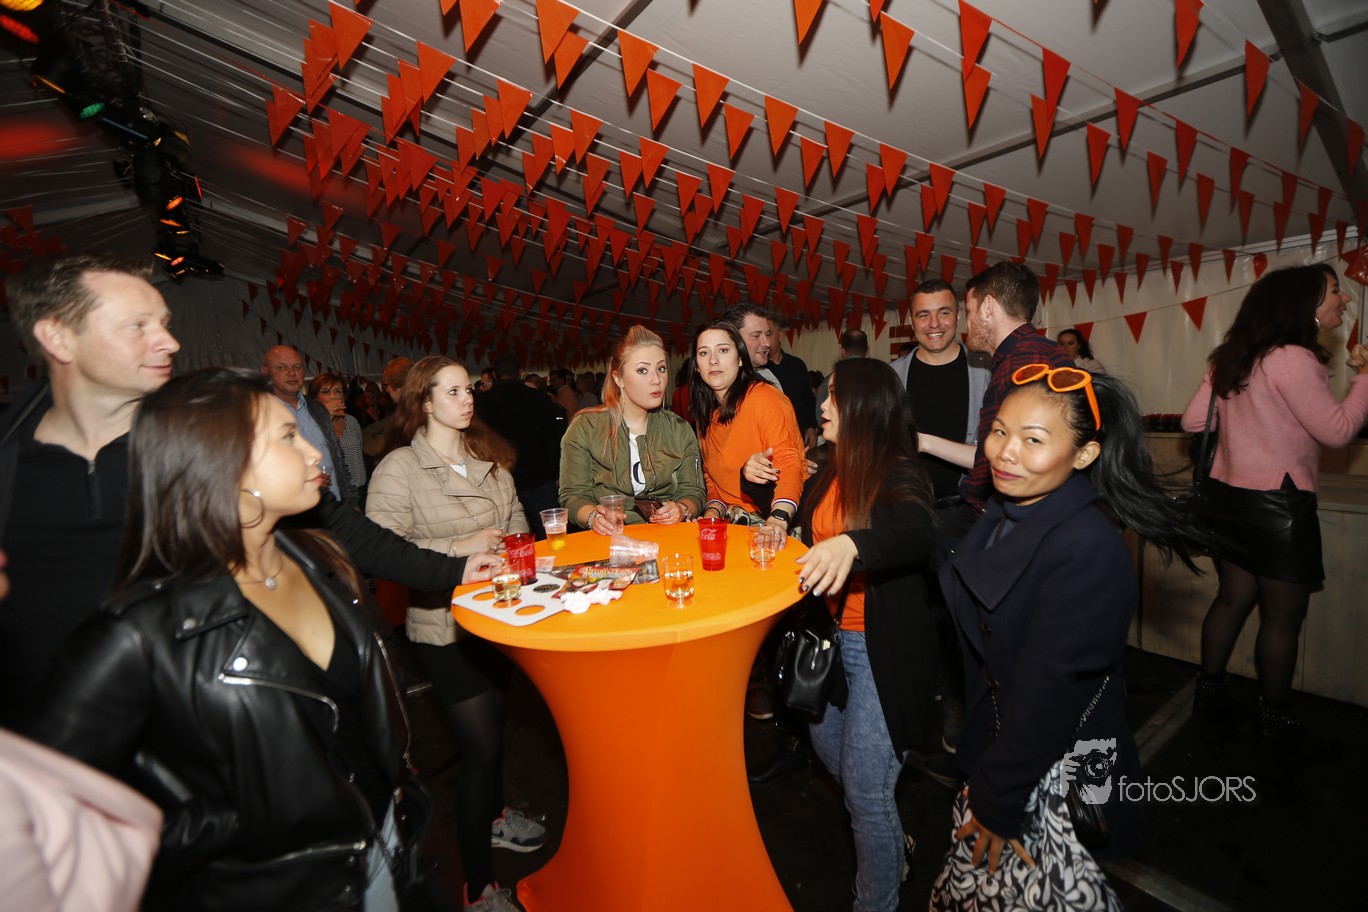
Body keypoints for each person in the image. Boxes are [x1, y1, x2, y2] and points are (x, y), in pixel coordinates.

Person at [0, 254, 492, 729]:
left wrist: (453, 569)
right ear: (57, 337)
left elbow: (348, 530)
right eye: (138, 326)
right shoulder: (10, 462)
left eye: (164, 323)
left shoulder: (198, 441)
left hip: (219, 721)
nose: (169, 341)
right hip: (57, 741)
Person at [25, 367, 430, 910]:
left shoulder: (320, 559)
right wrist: (239, 824)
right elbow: (42, 816)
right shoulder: (143, 630)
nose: (314, 452)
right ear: (224, 464)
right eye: (288, 438)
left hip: (388, 846)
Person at [940, 364, 1209, 872]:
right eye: (999, 431)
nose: (1005, 452)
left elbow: (1050, 692)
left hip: (1064, 763)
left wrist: (999, 797)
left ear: (1084, 454)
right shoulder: (1005, 511)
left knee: (1061, 884)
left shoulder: (1087, 548)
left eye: (1033, 440)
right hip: (1003, 744)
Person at [367, 356, 544, 912]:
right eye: (453, 391)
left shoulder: (487, 457)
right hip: (443, 629)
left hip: (499, 621)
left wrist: (514, 548)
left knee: (493, 732)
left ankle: (495, 817)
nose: (467, 399)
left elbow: (517, 523)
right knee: (481, 749)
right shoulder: (399, 468)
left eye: (469, 390)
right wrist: (461, 550)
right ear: (424, 402)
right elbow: (383, 551)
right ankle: (477, 889)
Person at [1181, 264, 1368, 746]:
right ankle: (1276, 721)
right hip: (1278, 506)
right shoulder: (1293, 358)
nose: (1345, 299)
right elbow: (1338, 431)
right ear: (1303, 303)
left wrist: (1246, 431)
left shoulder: (1234, 356)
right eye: (1334, 291)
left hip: (1228, 499)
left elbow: (1192, 422)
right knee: (1283, 619)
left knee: (1231, 600)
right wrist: (1366, 379)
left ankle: (1208, 695)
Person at [791, 357, 938, 912]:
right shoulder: (829, 470)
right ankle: (888, 837)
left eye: (834, 395)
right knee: (833, 755)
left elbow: (916, 533)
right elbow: (808, 540)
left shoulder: (899, 470)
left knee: (866, 792)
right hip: (830, 644)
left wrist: (856, 544)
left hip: (881, 649)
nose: (823, 405)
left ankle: (875, 899)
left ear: (864, 406)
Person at [923, 261, 1074, 517]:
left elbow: (1025, 461)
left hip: (1015, 515)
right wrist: (922, 442)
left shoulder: (1024, 364)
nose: (967, 325)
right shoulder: (1034, 353)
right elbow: (992, 454)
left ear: (988, 307)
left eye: (969, 311)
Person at [560, 326, 705, 531]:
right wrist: (594, 517)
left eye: (661, 369)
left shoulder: (679, 430)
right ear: (618, 378)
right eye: (642, 370)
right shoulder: (586, 427)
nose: (656, 380)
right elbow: (573, 496)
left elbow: (694, 491)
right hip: (610, 539)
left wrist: (682, 509)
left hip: (667, 536)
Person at [691, 320, 805, 531]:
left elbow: (790, 463)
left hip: (776, 518)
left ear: (741, 359)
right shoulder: (706, 417)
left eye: (723, 350)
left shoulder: (764, 397)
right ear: (697, 366)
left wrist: (778, 519)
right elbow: (715, 483)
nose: (713, 360)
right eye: (704, 353)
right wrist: (711, 515)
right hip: (733, 524)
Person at [474, 352, 567, 538]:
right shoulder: (537, 398)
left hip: (498, 478)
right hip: (537, 477)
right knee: (550, 533)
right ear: (520, 372)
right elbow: (554, 436)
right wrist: (554, 472)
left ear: (494, 374)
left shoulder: (482, 402)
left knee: (507, 537)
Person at [310, 370, 367, 504]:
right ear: (315, 399)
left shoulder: (351, 421)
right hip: (334, 494)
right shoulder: (313, 424)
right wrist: (326, 416)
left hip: (361, 489)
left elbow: (360, 452)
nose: (333, 396)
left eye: (337, 391)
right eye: (325, 392)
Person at [766, 315, 820, 448]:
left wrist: (811, 426)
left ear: (780, 335)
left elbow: (808, 399)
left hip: (797, 437)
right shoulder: (757, 370)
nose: (765, 340)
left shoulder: (797, 365)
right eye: (760, 335)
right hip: (768, 439)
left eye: (769, 334)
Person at [363, 357, 414, 459]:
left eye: (388, 384)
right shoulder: (407, 408)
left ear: (398, 385)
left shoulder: (412, 411)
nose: (387, 389)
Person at [815, 328, 869, 421]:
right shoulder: (881, 379)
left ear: (842, 351)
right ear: (867, 350)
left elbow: (820, 415)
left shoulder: (831, 380)